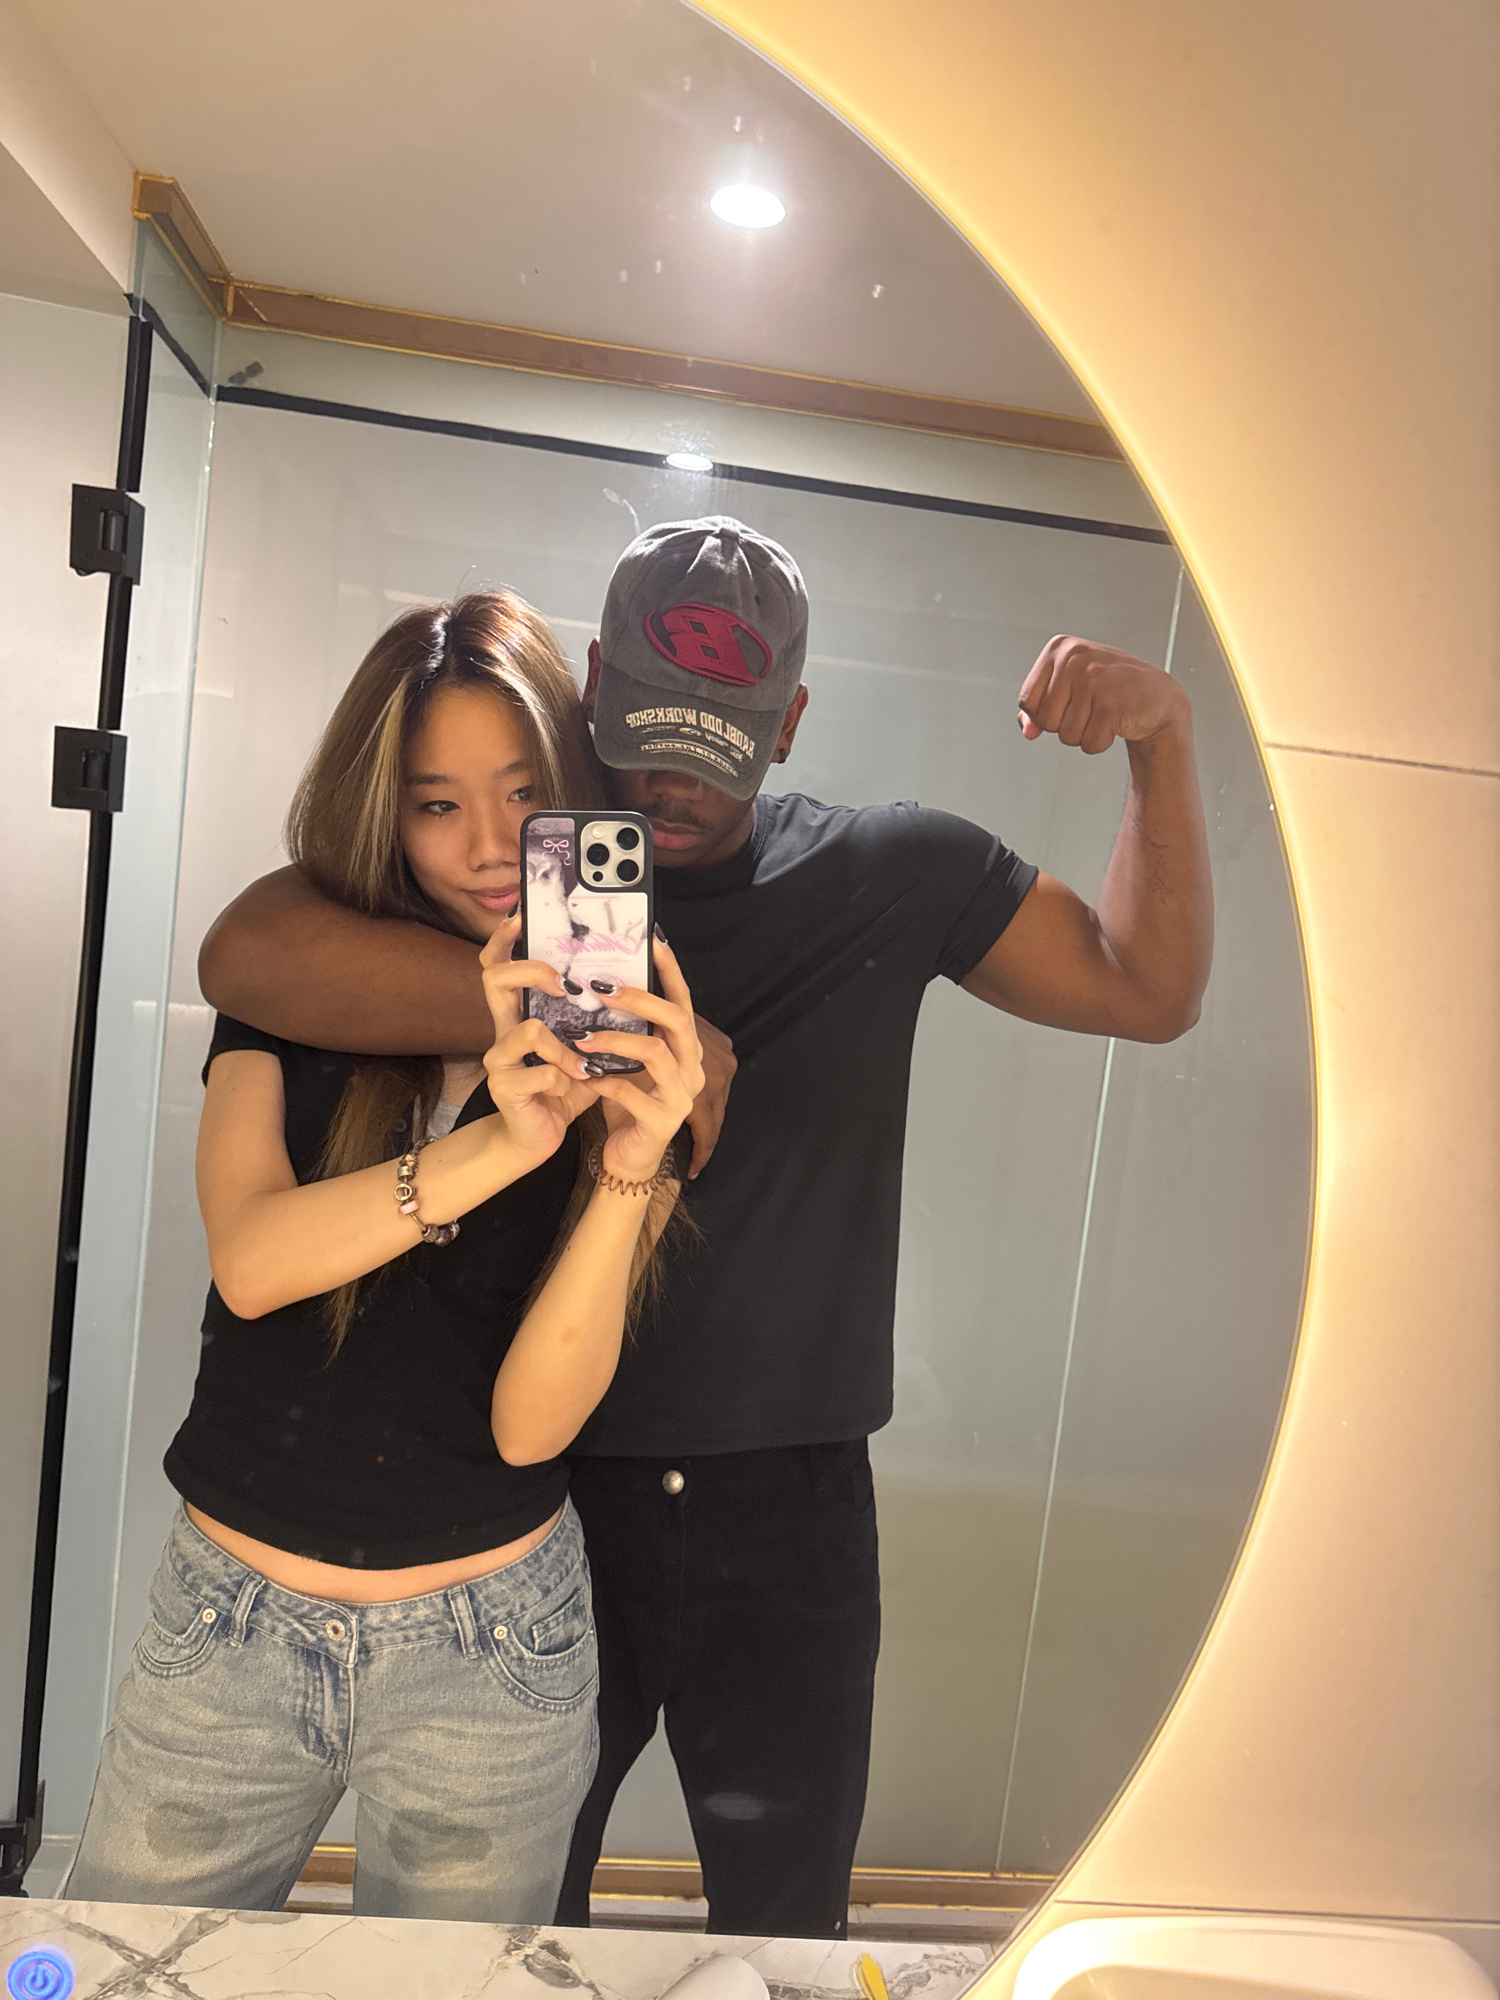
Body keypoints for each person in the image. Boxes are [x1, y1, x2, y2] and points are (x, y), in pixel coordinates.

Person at [198, 518, 1213, 1939]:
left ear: (787, 724)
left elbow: (1148, 989)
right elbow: (247, 952)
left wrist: (1164, 741)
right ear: (593, 685)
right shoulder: (520, 885)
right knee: (515, 1930)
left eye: (720, 745)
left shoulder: (891, 871)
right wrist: (580, 1014)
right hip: (541, 1500)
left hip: (792, 1503)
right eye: (645, 735)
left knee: (788, 1928)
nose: (669, 785)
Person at [65, 591, 703, 1922]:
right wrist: (498, 1146)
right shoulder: (299, 985)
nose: (488, 843)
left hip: (494, 1648)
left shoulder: (627, 1037)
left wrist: (632, 1166)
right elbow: (252, 1261)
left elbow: (532, 1427)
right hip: (231, 1623)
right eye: (436, 803)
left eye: (523, 794)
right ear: (383, 811)